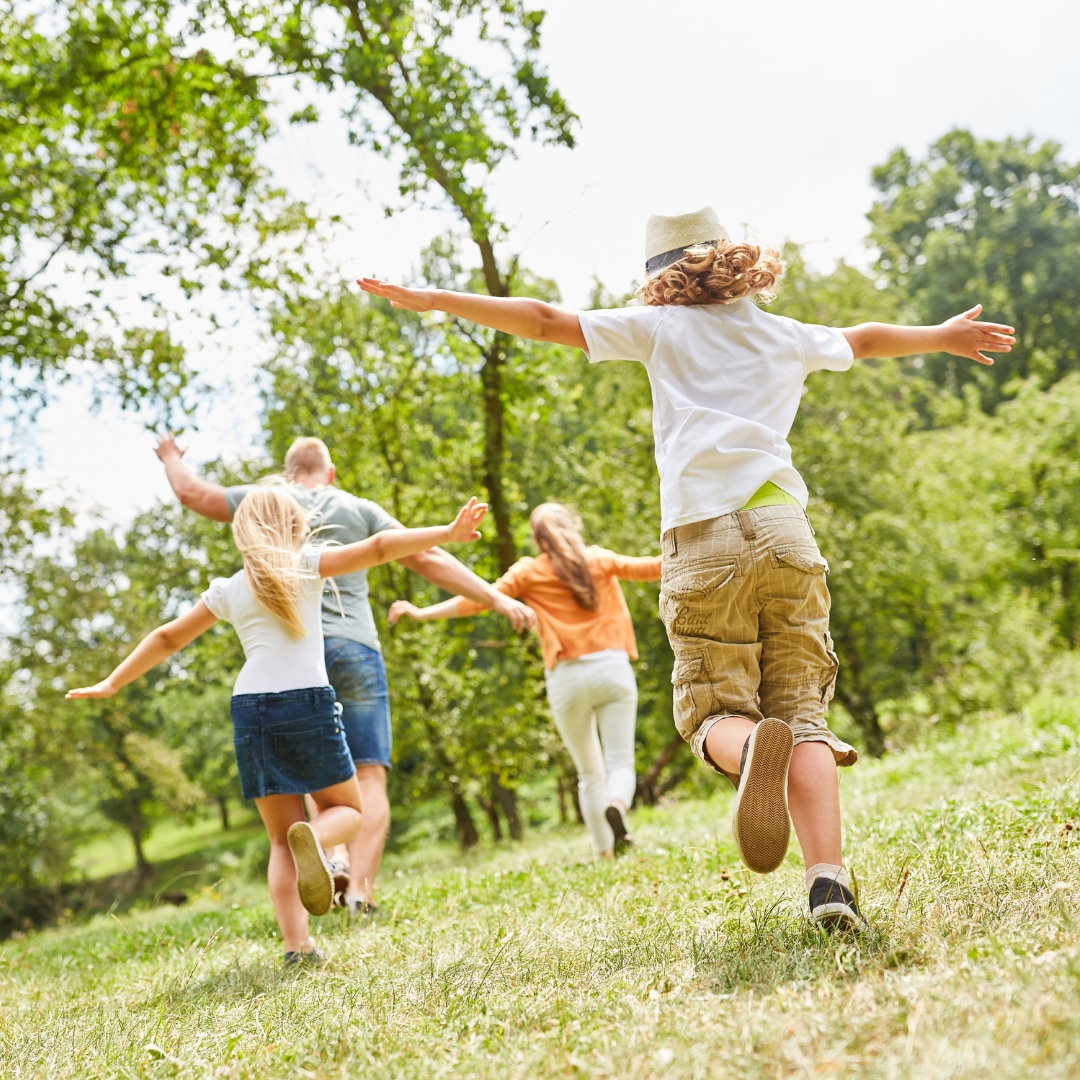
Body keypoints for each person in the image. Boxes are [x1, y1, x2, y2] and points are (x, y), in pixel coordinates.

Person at [358, 206, 1015, 930]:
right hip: (785, 531)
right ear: (732, 260)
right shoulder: (781, 332)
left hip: (703, 540)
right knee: (803, 715)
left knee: (710, 711)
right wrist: (944, 336)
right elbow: (862, 339)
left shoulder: (660, 329)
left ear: (660, 279)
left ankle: (746, 747)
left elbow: (545, 318)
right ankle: (829, 885)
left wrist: (440, 300)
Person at [67, 484, 488, 965]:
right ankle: (316, 838)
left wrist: (112, 682)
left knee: (277, 839)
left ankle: (297, 947)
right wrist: (448, 532)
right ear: (294, 527)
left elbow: (166, 638)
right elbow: (378, 547)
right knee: (349, 811)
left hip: (250, 709)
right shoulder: (306, 564)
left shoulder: (228, 589)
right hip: (306, 702)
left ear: (242, 532)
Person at [154, 434, 536, 918]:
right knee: (367, 778)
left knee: (319, 776)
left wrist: (171, 457)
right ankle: (360, 892)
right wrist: (495, 597)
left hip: (292, 662)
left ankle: (330, 858)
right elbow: (422, 556)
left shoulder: (264, 501)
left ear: (288, 472)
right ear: (330, 473)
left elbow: (193, 494)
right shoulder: (356, 506)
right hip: (355, 649)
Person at [390, 502, 661, 857]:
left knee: (588, 772)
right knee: (619, 763)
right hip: (612, 668)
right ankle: (617, 805)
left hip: (566, 679)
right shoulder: (600, 559)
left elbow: (480, 598)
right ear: (572, 527)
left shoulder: (529, 572)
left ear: (537, 539)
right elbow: (654, 567)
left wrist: (424, 612)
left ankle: (604, 852)